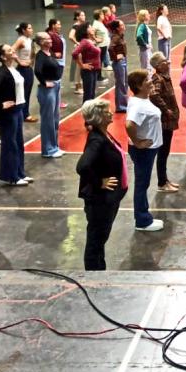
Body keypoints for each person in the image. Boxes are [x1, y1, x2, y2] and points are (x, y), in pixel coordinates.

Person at [76, 98, 128, 270]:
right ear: (98, 117)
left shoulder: (104, 134)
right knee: (96, 240)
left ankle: (100, 270)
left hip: (109, 200)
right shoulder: (97, 140)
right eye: (107, 111)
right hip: (100, 201)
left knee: (100, 239)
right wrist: (99, 182)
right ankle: (93, 275)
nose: (111, 113)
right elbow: (83, 166)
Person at [125, 69, 164, 232]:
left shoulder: (141, 100)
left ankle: (144, 216)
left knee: (143, 182)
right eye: (147, 80)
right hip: (143, 151)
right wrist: (138, 142)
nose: (151, 81)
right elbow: (129, 125)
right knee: (142, 184)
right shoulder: (138, 106)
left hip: (148, 149)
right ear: (139, 86)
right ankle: (142, 220)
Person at [0, 44, 32, 187]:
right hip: (8, 113)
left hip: (18, 109)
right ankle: (11, 176)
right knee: (10, 144)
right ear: (3, 56)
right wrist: (1, 104)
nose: (13, 50)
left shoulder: (12, 69)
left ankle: (20, 173)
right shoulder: (2, 72)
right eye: (9, 50)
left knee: (18, 142)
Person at [149, 52, 181, 193]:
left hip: (168, 120)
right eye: (164, 62)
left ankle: (165, 179)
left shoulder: (164, 77)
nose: (167, 63)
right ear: (157, 66)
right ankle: (162, 182)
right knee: (163, 152)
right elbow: (154, 94)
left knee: (165, 152)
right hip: (164, 122)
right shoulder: (158, 79)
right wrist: (166, 109)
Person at [34, 32, 64, 158]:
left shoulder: (49, 53)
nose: (51, 40)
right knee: (48, 120)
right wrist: (44, 82)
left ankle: (54, 146)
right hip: (47, 90)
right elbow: (37, 70)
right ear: (41, 42)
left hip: (55, 87)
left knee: (55, 119)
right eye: (47, 39)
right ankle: (48, 150)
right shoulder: (40, 55)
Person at [10, 23, 37, 123]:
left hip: (28, 68)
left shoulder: (29, 40)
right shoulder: (21, 39)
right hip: (23, 69)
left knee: (28, 91)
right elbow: (11, 51)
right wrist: (20, 61)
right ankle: (24, 114)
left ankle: (24, 113)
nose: (31, 30)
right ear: (23, 30)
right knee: (24, 92)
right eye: (29, 28)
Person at [73, 26, 102, 103]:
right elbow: (75, 53)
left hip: (94, 70)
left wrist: (94, 37)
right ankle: (86, 109)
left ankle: (90, 109)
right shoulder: (85, 42)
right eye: (89, 27)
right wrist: (82, 65)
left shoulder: (90, 41)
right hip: (88, 71)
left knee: (91, 94)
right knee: (88, 95)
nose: (92, 28)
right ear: (85, 31)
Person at [46, 19, 68, 109]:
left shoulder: (56, 35)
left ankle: (57, 101)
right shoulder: (50, 35)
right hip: (56, 63)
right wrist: (54, 55)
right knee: (55, 82)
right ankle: (56, 102)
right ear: (53, 25)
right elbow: (46, 48)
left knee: (57, 83)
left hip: (60, 62)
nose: (60, 26)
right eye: (58, 24)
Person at [109, 20, 130, 113]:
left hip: (123, 60)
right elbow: (110, 48)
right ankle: (121, 106)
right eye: (122, 25)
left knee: (124, 83)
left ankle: (123, 104)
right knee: (121, 84)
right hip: (119, 62)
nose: (124, 25)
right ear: (117, 28)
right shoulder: (116, 37)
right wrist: (116, 57)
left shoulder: (120, 35)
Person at [67, 10, 88, 95]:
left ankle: (81, 85)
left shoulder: (84, 25)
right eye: (82, 15)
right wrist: (77, 43)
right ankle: (77, 87)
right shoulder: (76, 26)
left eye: (84, 15)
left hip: (84, 48)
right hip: (80, 49)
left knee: (82, 68)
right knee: (78, 69)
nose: (84, 17)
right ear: (77, 17)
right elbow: (70, 36)